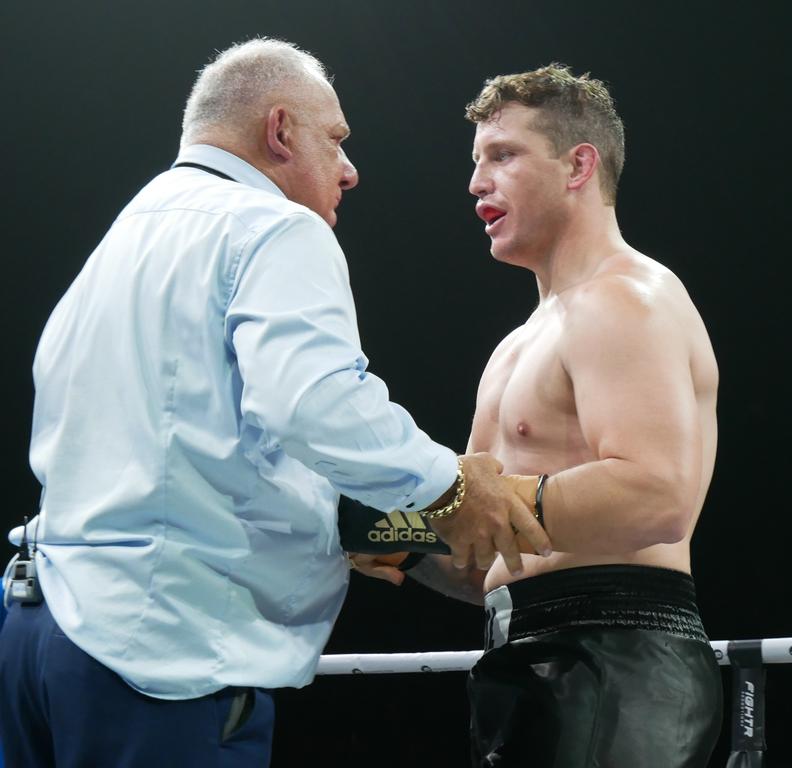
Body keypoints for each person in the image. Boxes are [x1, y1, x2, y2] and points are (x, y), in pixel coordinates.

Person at [0, 38, 549, 768]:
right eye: (337, 140)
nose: (350, 171)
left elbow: (173, 446)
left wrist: (324, 527)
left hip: (44, 636)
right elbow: (313, 402)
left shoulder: (127, 235)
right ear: (280, 131)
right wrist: (450, 486)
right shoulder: (273, 224)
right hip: (159, 657)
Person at [351, 64, 723, 767]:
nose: (476, 182)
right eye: (476, 161)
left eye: (504, 155)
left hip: (615, 656)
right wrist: (396, 537)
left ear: (579, 164)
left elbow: (659, 495)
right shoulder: (517, 345)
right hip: (523, 658)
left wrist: (482, 498)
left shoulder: (626, 299)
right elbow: (487, 549)